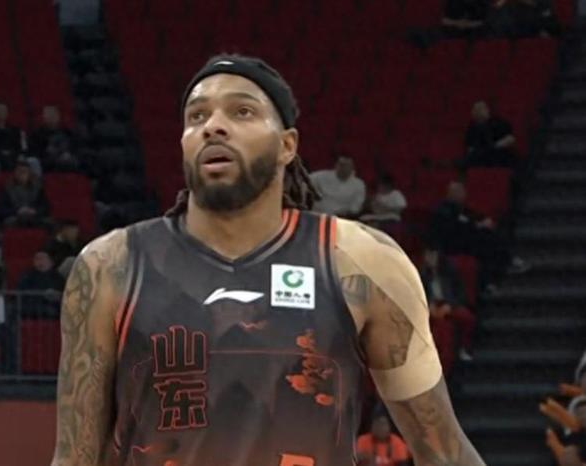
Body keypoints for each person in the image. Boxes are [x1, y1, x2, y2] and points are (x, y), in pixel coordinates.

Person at [50, 54, 485, 466]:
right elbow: (74, 459)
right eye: (197, 116)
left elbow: (445, 453)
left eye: (242, 112)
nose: (213, 127)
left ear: (287, 145)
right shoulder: (110, 266)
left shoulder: (362, 262)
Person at [427, 180, 528, 291]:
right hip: (451, 244)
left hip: (467, 239)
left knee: (489, 239)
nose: (462, 194)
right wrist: (476, 225)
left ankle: (495, 277)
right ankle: (503, 267)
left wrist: (483, 221)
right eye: (458, 192)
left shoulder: (461, 208)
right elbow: (453, 229)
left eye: (462, 191)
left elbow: (472, 216)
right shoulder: (443, 210)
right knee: (486, 242)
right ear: (450, 193)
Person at [420, 246, 477, 374]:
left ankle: (465, 348)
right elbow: (420, 296)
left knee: (468, 318)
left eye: (433, 255)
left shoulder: (450, 271)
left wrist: (450, 306)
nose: (430, 259)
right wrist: (428, 306)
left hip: (449, 305)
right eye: (428, 255)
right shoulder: (422, 275)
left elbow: (461, 294)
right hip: (432, 308)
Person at [0, 102, 41, 191]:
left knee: (33, 161)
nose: (1, 112)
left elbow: (23, 148)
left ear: (7, 113)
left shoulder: (16, 130)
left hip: (14, 158)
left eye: (3, 110)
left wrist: (16, 155)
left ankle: (35, 189)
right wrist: (1, 155)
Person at [461, 101, 517, 169]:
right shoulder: (472, 127)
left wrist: (495, 146)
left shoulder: (498, 122)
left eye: (482, 108)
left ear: (487, 110)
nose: (478, 111)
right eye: (476, 109)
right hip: (479, 156)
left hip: (497, 154)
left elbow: (510, 139)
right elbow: (470, 147)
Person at [0, 159, 50, 227]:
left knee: (46, 222)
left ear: (29, 174)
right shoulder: (7, 188)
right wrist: (17, 211)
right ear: (15, 173)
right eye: (19, 171)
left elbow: (45, 207)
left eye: (24, 172)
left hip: (34, 216)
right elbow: (2, 209)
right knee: (10, 221)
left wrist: (34, 211)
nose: (21, 174)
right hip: (15, 217)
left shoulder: (37, 188)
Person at [29, 105, 79, 173]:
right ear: (44, 117)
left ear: (59, 116)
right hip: (47, 165)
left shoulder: (67, 133)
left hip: (68, 163)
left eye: (53, 115)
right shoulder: (37, 135)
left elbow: (75, 149)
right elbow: (35, 154)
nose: (51, 118)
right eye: (48, 115)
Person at [17, 250, 66, 317]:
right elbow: (21, 291)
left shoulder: (58, 278)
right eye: (37, 259)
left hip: (51, 307)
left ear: (51, 262)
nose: (39, 261)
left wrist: (57, 296)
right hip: (31, 306)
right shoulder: (28, 276)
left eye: (42, 258)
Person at [562, 399, 586, 466]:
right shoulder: (572, 438)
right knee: (569, 452)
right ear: (576, 417)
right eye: (580, 413)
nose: (584, 416)